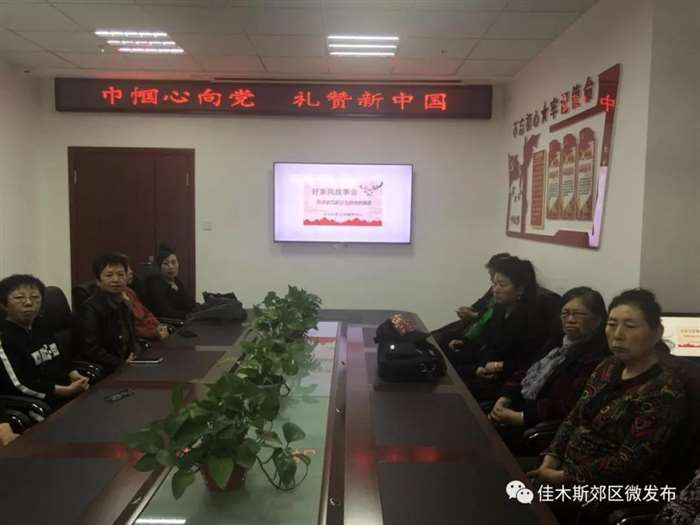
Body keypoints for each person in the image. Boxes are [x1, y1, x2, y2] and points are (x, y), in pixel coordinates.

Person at [527, 289, 686, 522]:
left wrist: (562, 477)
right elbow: (575, 416)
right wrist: (551, 458)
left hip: (607, 491)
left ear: (656, 332)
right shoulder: (608, 366)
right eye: (612, 324)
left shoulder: (664, 391)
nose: (618, 335)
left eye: (630, 326)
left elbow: (629, 462)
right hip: (562, 471)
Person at [488, 287, 609, 451]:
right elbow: (527, 370)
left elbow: (566, 403)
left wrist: (521, 417)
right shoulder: (556, 342)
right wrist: (505, 397)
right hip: (520, 405)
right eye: (565, 313)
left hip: (541, 424)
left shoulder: (597, 356)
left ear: (598, 319)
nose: (570, 319)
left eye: (579, 314)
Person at [444, 256, 557, 401]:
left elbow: (526, 362)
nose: (495, 290)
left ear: (520, 289)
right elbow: (487, 340)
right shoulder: (500, 309)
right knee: (445, 355)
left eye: (502, 285)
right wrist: (465, 343)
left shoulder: (533, 320)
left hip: (503, 377)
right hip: (485, 365)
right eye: (494, 284)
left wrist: (497, 366)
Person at [0, 274, 89, 409]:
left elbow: (59, 355)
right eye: (19, 298)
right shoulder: (4, 337)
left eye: (35, 297)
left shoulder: (42, 324)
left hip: (63, 389)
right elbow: (18, 384)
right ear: (4, 304)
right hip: (35, 401)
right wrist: (64, 391)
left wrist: (74, 374)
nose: (28, 303)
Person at [432, 252, 510, 351]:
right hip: (472, 324)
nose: (491, 280)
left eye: (501, 284)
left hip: (479, 333)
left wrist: (473, 315)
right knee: (435, 335)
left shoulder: (505, 300)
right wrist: (469, 309)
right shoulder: (494, 288)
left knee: (442, 339)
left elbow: (490, 319)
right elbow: (481, 301)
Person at [76, 254, 140, 372]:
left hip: (129, 365)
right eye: (109, 275)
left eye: (120, 274)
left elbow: (132, 339)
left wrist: (136, 354)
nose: (116, 280)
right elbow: (90, 350)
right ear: (98, 281)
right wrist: (121, 363)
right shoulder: (90, 308)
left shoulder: (125, 304)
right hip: (107, 369)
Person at [145, 244, 197, 320]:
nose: (171, 267)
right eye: (166, 263)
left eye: (173, 262)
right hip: (170, 323)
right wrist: (189, 316)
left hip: (187, 320)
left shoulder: (177, 282)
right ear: (159, 267)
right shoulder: (155, 285)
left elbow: (191, 304)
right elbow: (165, 312)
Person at [124, 264, 169, 341]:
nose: (131, 272)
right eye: (127, 269)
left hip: (153, 330)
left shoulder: (129, 291)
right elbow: (133, 327)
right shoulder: (117, 299)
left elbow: (146, 312)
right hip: (144, 338)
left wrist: (159, 325)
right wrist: (155, 333)